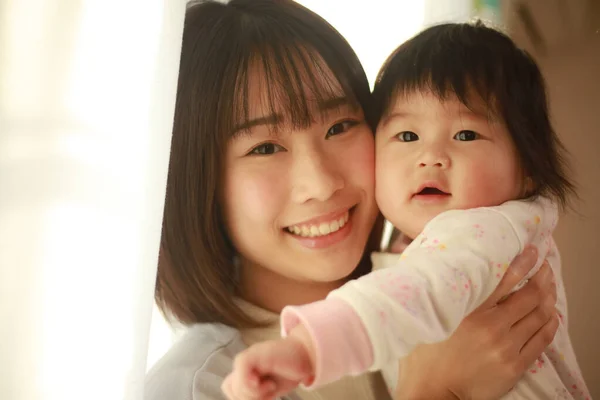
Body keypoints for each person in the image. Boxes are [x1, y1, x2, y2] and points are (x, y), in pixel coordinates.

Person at [144, 2, 559, 399]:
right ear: (199, 180)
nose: (322, 184)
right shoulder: (198, 387)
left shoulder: (460, 276)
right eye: (266, 148)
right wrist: (438, 392)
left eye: (341, 126)